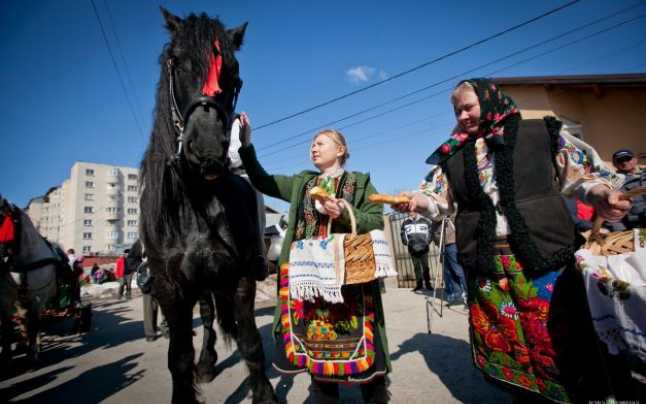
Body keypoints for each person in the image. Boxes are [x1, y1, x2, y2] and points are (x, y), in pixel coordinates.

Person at [394, 79, 631, 403]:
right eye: (457, 110)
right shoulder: (454, 155)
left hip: (544, 252)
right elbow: (435, 198)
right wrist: (414, 201)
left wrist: (604, 194)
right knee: (506, 340)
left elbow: (584, 177)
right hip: (486, 260)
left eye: (468, 107)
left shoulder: (540, 134)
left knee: (562, 336)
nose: (462, 115)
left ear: (491, 101)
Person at [237, 113, 390, 403]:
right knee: (317, 352)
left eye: (320, 143)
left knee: (366, 352)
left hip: (350, 283)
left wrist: (345, 213)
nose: (313, 148)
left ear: (340, 150)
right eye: (312, 144)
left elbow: (376, 221)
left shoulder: (358, 183)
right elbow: (261, 180)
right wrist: (246, 145)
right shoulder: (301, 183)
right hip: (310, 282)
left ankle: (374, 395)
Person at [431, 216, 467, 306]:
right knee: (448, 271)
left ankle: (471, 294)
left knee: (458, 270)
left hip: (451, 243)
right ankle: (457, 295)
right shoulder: (433, 216)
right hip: (442, 244)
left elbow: (445, 215)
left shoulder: (445, 210)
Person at [607, 148, 646, 231]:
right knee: (641, 243)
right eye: (620, 161)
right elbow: (611, 206)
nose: (624, 162)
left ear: (635, 160)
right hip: (637, 225)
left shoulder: (644, 173)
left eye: (627, 159)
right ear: (615, 164)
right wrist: (619, 231)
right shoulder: (614, 179)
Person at [400, 211, 433, 291]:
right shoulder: (405, 222)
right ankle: (419, 285)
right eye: (410, 212)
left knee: (425, 267)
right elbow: (402, 234)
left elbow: (430, 232)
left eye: (413, 212)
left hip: (424, 247)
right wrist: (406, 242)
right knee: (416, 267)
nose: (411, 213)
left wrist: (427, 242)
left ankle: (428, 284)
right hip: (412, 248)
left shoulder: (425, 221)